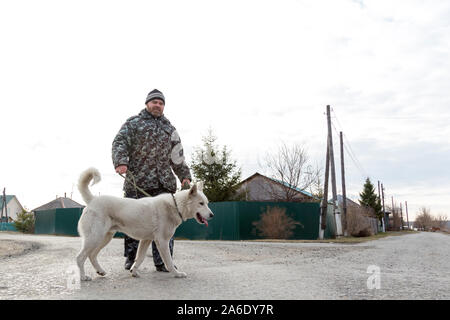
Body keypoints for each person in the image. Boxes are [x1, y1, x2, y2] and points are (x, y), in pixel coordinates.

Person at [112, 89, 192, 272]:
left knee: (166, 224)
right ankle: (131, 259)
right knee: (132, 220)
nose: (158, 105)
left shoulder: (169, 129)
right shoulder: (134, 123)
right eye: (154, 102)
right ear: (147, 103)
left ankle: (164, 262)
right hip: (138, 181)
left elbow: (177, 156)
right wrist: (121, 162)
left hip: (164, 184)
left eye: (161, 103)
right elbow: (120, 142)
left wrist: (184, 176)